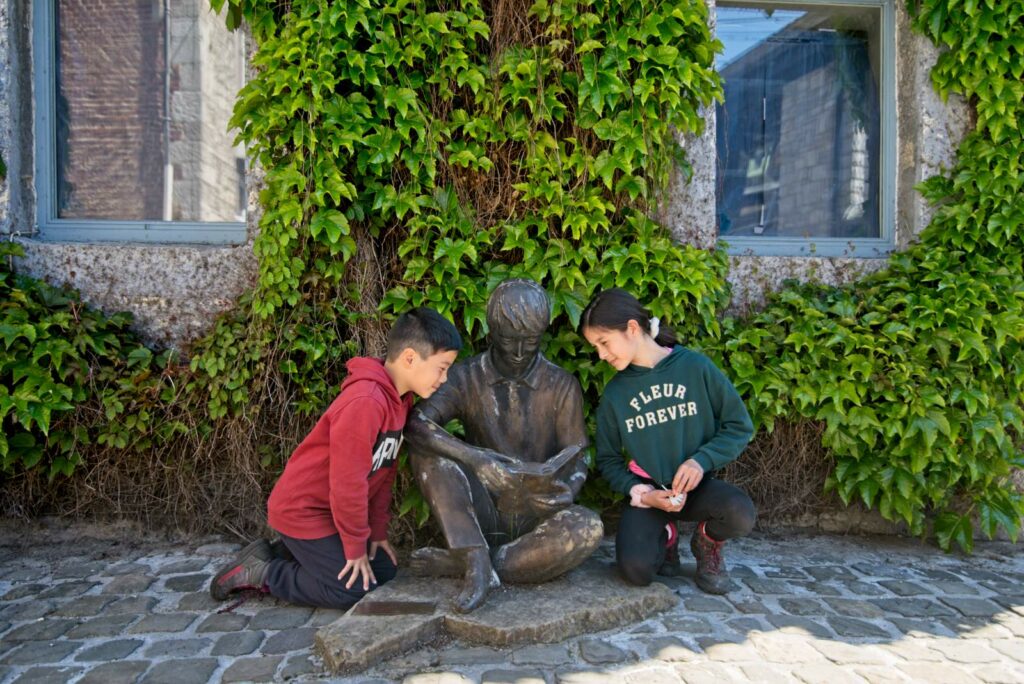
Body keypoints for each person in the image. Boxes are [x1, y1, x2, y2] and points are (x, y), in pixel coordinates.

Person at [208, 307, 462, 608]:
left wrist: (376, 533)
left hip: (334, 514)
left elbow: (383, 472)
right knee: (353, 591)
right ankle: (265, 571)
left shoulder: (399, 400)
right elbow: (347, 485)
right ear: (409, 357)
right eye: (441, 367)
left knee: (382, 569)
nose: (443, 379)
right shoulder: (366, 402)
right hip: (305, 510)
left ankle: (286, 552)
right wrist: (355, 548)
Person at [404, 279, 604, 613]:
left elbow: (577, 457)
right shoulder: (465, 376)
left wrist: (568, 489)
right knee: (429, 455)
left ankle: (475, 562)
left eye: (530, 341)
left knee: (589, 527)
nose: (519, 351)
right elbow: (416, 423)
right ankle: (474, 556)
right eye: (509, 340)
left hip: (537, 520)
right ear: (491, 332)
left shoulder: (561, 384)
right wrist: (476, 459)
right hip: (480, 508)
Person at [580, 288, 755, 594]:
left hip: (697, 489)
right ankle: (667, 537)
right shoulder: (615, 395)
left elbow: (738, 425)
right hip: (650, 497)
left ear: (632, 328)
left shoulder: (695, 368)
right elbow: (608, 460)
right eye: (596, 347)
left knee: (740, 513)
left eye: (604, 343)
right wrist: (642, 495)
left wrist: (701, 461)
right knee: (636, 572)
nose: (601, 355)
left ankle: (706, 543)